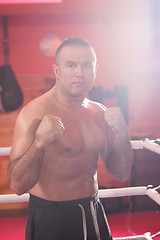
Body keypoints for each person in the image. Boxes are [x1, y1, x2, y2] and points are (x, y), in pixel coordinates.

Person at [8, 37, 133, 240]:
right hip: (51, 217)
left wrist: (122, 133)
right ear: (57, 71)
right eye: (71, 65)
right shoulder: (34, 114)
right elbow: (17, 185)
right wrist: (39, 143)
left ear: (95, 69)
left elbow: (120, 173)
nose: (80, 73)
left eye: (86, 65)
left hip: (93, 210)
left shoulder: (99, 112)